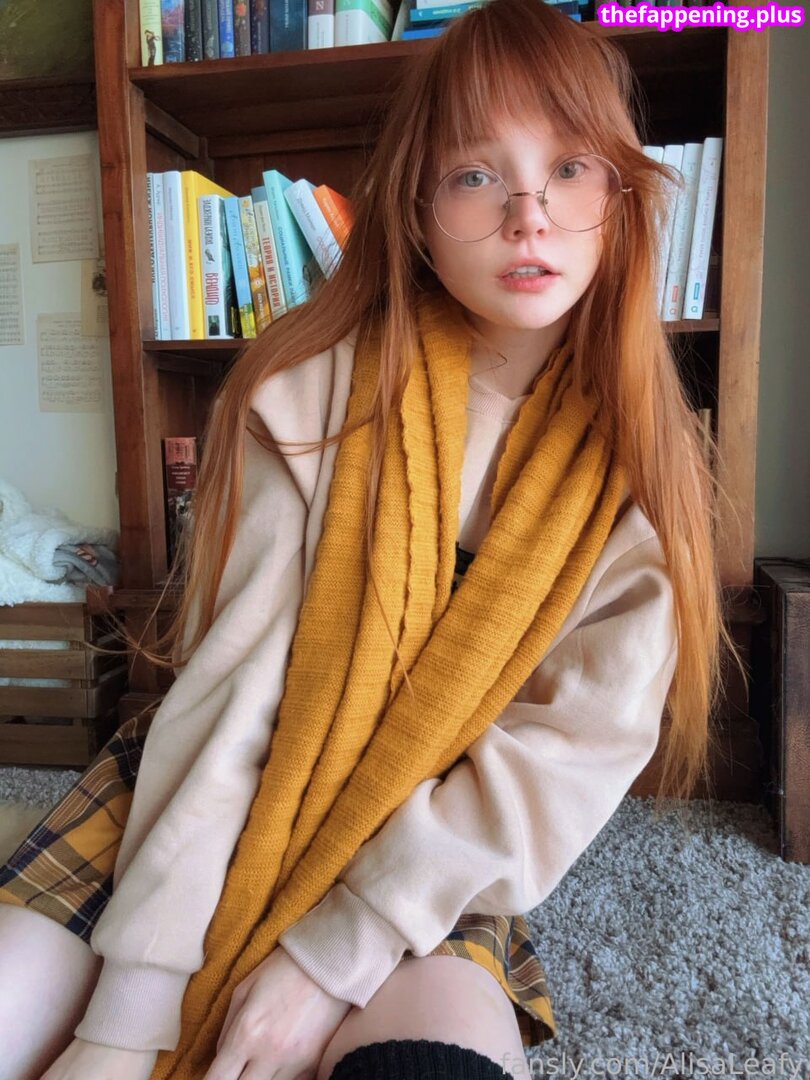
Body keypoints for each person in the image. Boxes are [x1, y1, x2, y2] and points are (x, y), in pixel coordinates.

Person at [0, 0, 743, 1077]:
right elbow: (231, 702)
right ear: (418, 212)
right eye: (476, 174)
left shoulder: (646, 473)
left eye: (571, 168)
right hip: (195, 801)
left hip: (432, 841)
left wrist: (327, 960)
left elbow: (552, 766)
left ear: (624, 199)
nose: (529, 217)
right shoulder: (306, 395)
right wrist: (132, 1009)